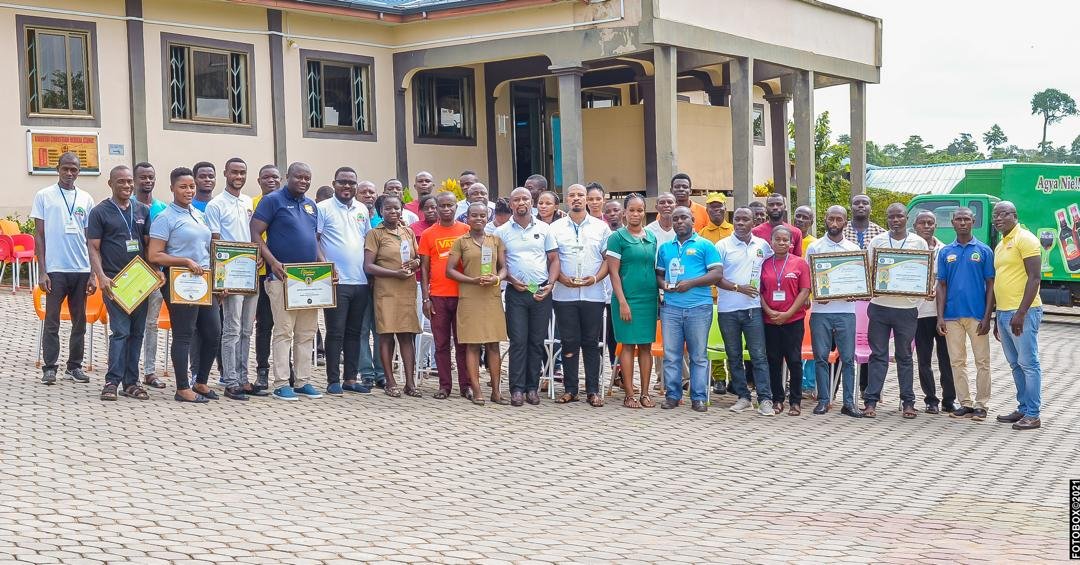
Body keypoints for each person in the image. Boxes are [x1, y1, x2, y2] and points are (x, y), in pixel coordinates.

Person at [251, 162, 325, 401]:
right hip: (281, 277)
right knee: (284, 331)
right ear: (287, 177)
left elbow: (313, 239)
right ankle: (282, 383)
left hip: (309, 279)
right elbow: (255, 233)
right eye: (298, 177)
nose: (303, 181)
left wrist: (325, 265)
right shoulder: (272, 200)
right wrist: (272, 262)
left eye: (307, 178)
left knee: (307, 332)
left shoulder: (311, 205)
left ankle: (303, 381)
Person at [147, 167, 220, 403]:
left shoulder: (198, 214)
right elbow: (155, 255)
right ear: (172, 188)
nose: (189, 191)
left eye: (191, 187)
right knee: (184, 333)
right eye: (183, 187)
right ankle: (182, 388)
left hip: (203, 281)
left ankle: (200, 382)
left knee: (213, 332)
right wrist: (185, 261)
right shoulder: (165, 218)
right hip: (180, 280)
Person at [88, 165, 153, 401]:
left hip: (141, 282)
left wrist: (156, 272)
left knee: (137, 333)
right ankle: (111, 382)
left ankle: (131, 383)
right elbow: (93, 247)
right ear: (110, 184)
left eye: (129, 181)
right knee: (120, 332)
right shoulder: (99, 212)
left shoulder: (143, 210)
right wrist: (100, 276)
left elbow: (148, 245)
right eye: (121, 182)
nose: (126, 185)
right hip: (114, 282)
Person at [32, 151, 96, 385]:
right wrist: (42, 271)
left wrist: (92, 274)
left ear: (79, 172)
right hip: (55, 269)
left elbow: (91, 239)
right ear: (57, 169)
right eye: (65, 168)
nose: (69, 173)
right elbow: (39, 235)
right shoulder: (44, 195)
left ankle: (74, 367)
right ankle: (50, 368)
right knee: (52, 321)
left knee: (79, 322)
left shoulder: (86, 198)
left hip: (80, 269)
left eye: (74, 169)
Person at [204, 157, 264, 400]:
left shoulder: (248, 202)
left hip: (250, 274)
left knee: (247, 329)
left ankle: (243, 378)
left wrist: (258, 257)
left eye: (242, 173)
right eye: (234, 172)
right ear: (225, 173)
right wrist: (220, 281)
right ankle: (230, 381)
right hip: (229, 275)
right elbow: (215, 242)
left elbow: (253, 236)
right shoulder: (216, 205)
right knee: (232, 328)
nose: (238, 177)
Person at [862, 203, 928, 419]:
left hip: (906, 309)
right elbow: (868, 270)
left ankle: (908, 402)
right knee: (877, 355)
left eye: (899, 216)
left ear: (906, 217)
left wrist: (916, 299)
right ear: (887, 218)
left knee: (905, 356)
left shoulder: (918, 242)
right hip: (879, 307)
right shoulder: (877, 241)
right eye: (891, 217)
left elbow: (924, 273)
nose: (895, 220)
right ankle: (871, 401)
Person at [496, 187, 559, 407]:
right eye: (516, 199)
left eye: (525, 198)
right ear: (511, 204)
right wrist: (512, 280)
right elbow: (500, 264)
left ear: (531, 202)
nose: (521, 202)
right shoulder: (502, 232)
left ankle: (532, 388)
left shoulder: (544, 228)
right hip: (516, 292)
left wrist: (550, 285)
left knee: (536, 341)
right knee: (518, 341)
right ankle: (516, 389)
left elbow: (554, 259)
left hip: (540, 292)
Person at [655, 206, 722, 412]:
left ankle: (699, 397)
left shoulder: (705, 245)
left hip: (699, 308)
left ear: (693, 220)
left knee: (698, 356)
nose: (679, 222)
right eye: (675, 219)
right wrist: (664, 285)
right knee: (671, 355)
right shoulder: (665, 248)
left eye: (683, 217)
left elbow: (717, 274)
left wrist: (691, 283)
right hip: (671, 308)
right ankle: (672, 396)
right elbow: (659, 275)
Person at [550, 184, 611, 407]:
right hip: (564, 295)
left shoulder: (601, 228)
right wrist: (560, 278)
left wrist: (594, 278)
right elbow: (551, 259)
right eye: (572, 195)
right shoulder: (555, 228)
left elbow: (608, 260)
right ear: (566, 199)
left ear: (586, 199)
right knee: (569, 342)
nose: (576, 199)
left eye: (580, 195)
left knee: (591, 343)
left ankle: (592, 390)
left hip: (593, 294)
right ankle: (570, 389)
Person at [317, 166, 373, 396]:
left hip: (360, 281)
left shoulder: (362, 209)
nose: (347, 186)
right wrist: (325, 267)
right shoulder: (323, 208)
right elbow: (315, 239)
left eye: (351, 182)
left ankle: (350, 378)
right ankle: (333, 380)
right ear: (334, 184)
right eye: (342, 182)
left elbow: (367, 241)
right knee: (335, 332)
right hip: (336, 281)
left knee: (355, 332)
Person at [446, 202, 509, 405]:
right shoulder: (460, 242)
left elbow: (504, 268)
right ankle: (477, 390)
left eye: (482, 215)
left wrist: (497, 278)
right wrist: (471, 280)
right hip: (470, 297)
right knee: (472, 345)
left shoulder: (495, 240)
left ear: (488, 217)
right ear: (468, 217)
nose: (478, 219)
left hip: (491, 297)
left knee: (493, 344)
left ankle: (496, 391)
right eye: (474, 215)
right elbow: (450, 270)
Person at [935, 208, 994, 422]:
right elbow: (941, 285)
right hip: (951, 316)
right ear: (952, 222)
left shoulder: (984, 250)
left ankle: (981, 404)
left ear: (973, 221)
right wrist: (940, 317)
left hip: (977, 315)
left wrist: (987, 316)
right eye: (958, 219)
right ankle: (965, 403)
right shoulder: (945, 252)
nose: (962, 223)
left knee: (982, 361)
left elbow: (991, 284)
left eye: (966, 219)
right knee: (957, 361)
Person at [715, 208, 775, 416]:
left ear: (753, 222)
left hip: (753, 309)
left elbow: (770, 270)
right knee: (734, 356)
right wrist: (738, 288)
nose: (740, 223)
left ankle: (765, 399)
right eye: (737, 219)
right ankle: (743, 397)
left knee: (759, 356)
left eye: (745, 219)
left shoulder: (762, 245)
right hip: (728, 310)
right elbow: (715, 277)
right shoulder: (722, 245)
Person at [990, 201, 1043, 430]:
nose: (998, 218)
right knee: (1015, 364)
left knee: (1029, 364)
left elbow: (1035, 278)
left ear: (1015, 215)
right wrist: (997, 317)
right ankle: (1023, 408)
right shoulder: (1001, 244)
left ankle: (1033, 414)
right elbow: (1001, 280)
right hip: (1004, 313)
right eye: (995, 215)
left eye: (1003, 214)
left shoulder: (1026, 239)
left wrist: (1021, 313)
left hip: (1023, 312)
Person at [805, 206, 863, 417]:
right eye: (831, 219)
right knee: (821, 358)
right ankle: (823, 400)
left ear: (846, 222)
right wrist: (817, 293)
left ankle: (848, 403)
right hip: (821, 311)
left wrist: (855, 292)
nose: (835, 223)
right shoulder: (815, 247)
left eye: (839, 219)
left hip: (846, 311)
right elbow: (809, 277)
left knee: (847, 359)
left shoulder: (853, 248)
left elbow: (858, 279)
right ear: (825, 220)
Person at [364, 196, 423, 398]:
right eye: (388, 208)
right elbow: (368, 266)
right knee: (387, 335)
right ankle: (390, 381)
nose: (393, 212)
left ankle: (410, 383)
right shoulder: (375, 234)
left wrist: (416, 263)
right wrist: (394, 273)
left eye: (396, 208)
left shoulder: (408, 231)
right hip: (386, 291)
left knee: (407, 335)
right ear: (381, 211)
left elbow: (418, 258)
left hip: (407, 290)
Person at [606, 193, 659, 409]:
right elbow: (613, 273)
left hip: (649, 299)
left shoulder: (651, 237)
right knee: (627, 346)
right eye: (632, 210)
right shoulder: (617, 238)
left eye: (640, 210)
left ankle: (645, 393)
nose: (636, 214)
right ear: (624, 212)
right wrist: (622, 302)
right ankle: (629, 394)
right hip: (626, 299)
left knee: (646, 346)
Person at [420, 192, 471, 399]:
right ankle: (444, 386)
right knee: (441, 344)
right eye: (442, 205)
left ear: (456, 207)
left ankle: (466, 385)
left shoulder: (466, 230)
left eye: (450, 205)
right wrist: (426, 298)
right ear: (436, 208)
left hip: (462, 296)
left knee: (463, 343)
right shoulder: (428, 234)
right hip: (438, 296)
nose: (446, 209)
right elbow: (424, 268)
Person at [760, 226, 810, 415]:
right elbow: (759, 291)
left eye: (785, 240)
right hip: (770, 320)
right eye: (777, 239)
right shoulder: (764, 264)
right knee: (773, 360)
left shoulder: (800, 263)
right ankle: (777, 399)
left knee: (794, 360)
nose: (781, 243)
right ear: (771, 242)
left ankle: (795, 401)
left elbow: (804, 291)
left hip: (793, 320)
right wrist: (768, 310)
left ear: (791, 243)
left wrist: (788, 313)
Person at [912, 211, 954, 414]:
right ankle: (931, 400)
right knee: (924, 359)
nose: (927, 226)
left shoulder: (945, 250)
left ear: (935, 226)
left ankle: (949, 399)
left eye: (931, 223)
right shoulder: (909, 250)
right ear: (915, 226)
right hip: (919, 313)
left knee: (947, 358)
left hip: (943, 314)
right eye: (922, 223)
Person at [134, 162, 168, 390]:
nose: (147, 181)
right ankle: (128, 370)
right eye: (143, 177)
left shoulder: (162, 208)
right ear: (135, 180)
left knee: (151, 324)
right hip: (133, 276)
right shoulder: (128, 206)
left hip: (157, 275)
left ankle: (149, 371)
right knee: (128, 327)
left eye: (151, 177)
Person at [251, 164, 281, 392]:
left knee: (285, 325)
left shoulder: (286, 203)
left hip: (282, 273)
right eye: (266, 177)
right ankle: (262, 370)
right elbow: (248, 234)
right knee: (264, 324)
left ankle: (286, 369)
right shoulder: (250, 204)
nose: (271, 180)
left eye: (275, 177)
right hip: (260, 274)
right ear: (259, 180)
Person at [356, 179, 387, 388]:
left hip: (381, 283)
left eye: (371, 192)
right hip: (358, 281)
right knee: (362, 328)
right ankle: (366, 372)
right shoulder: (352, 216)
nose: (368, 195)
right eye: (364, 192)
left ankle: (381, 372)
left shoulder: (382, 220)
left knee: (380, 329)